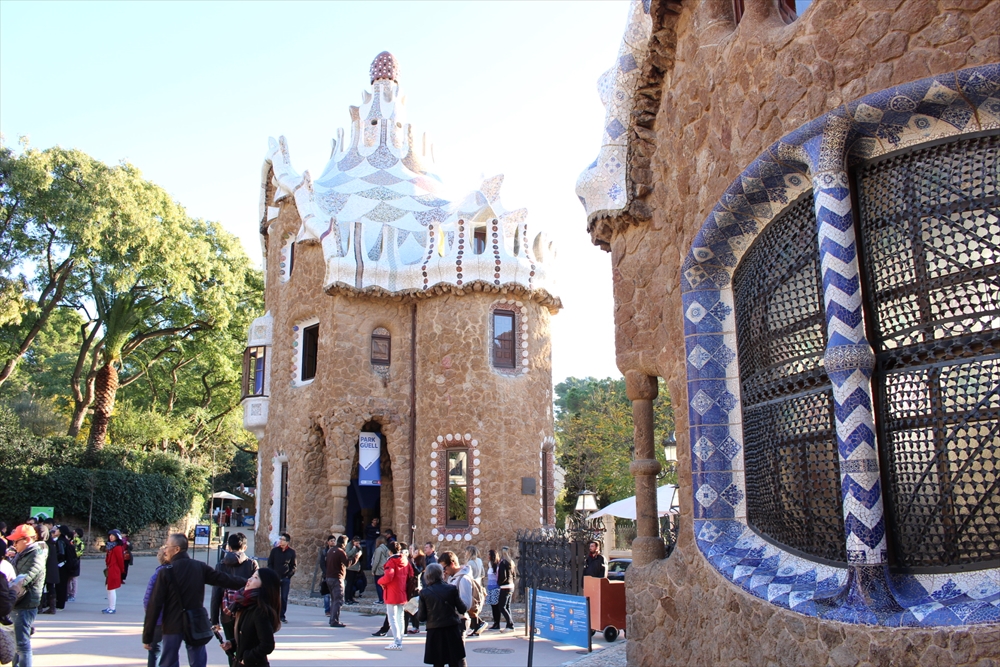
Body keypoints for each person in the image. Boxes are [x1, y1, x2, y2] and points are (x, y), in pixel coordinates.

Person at [142, 533, 247, 667]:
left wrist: (148, 635)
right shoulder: (198, 567)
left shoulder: (165, 572)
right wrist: (249, 582)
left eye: (167, 546)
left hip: (172, 623)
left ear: (177, 549)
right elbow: (225, 579)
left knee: (169, 660)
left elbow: (154, 605)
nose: (165, 550)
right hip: (195, 621)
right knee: (197, 660)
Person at [211, 532, 259, 660]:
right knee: (247, 644)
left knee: (230, 646)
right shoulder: (251, 564)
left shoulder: (220, 565)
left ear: (229, 547)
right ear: (244, 547)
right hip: (246, 612)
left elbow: (216, 593)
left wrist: (214, 620)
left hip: (227, 613)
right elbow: (257, 589)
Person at [220, 568, 281, 667]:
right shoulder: (245, 604)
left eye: (256, 577)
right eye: (252, 576)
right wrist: (232, 643)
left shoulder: (260, 611)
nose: (249, 579)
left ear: (264, 585)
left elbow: (267, 645)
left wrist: (248, 658)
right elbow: (249, 636)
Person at [417, 563, 467, 667]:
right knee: (454, 661)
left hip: (434, 631)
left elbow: (421, 617)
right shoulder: (452, 589)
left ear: (427, 576)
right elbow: (462, 609)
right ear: (441, 574)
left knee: (438, 662)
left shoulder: (424, 593)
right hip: (451, 629)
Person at [10, 524, 45, 667]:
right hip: (18, 601)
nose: (14, 544)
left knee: (22, 644)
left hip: (26, 603)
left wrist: (10, 586)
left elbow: (26, 577)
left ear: (27, 540)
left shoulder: (36, 554)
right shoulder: (23, 553)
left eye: (16, 541)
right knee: (16, 642)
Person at [376, 541, 412, 650]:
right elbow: (411, 573)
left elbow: (388, 576)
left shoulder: (391, 561)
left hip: (392, 592)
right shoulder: (405, 560)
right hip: (402, 591)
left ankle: (397, 642)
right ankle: (400, 639)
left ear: (390, 551)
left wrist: (380, 581)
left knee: (392, 618)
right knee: (400, 617)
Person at [439, 551, 479, 636]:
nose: (444, 571)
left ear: (452, 564)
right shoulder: (451, 577)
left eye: (444, 568)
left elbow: (466, 605)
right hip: (452, 620)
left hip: (460, 621)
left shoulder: (464, 579)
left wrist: (450, 605)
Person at [143, 546, 170, 667]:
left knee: (154, 649)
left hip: (158, 618)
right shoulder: (178, 573)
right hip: (172, 618)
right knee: (170, 650)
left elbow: (147, 600)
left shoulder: (157, 574)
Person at [325, 535, 359, 629]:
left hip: (329, 577)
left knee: (334, 599)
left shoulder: (330, 550)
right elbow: (348, 563)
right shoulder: (340, 552)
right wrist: (357, 556)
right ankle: (334, 621)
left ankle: (332, 619)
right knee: (338, 600)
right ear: (344, 543)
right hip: (337, 578)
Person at [266, 533, 296, 624]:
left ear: (287, 542)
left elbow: (293, 566)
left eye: (283, 540)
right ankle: (273, 615)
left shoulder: (291, 552)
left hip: (285, 578)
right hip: (275, 578)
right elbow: (270, 563)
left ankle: (281, 615)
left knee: (284, 597)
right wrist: (272, 574)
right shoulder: (274, 551)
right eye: (280, 539)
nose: (281, 541)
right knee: (274, 597)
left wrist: (288, 576)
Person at [489, 546, 516, 632]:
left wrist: (499, 582)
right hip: (511, 586)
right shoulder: (511, 562)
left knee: (502, 607)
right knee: (507, 606)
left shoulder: (503, 563)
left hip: (505, 587)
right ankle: (509, 625)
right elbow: (514, 575)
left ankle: (510, 625)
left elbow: (503, 576)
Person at [54, 525, 78, 610]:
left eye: (57, 530)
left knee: (60, 585)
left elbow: (61, 553)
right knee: (64, 584)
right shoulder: (66, 541)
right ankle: (62, 601)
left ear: (60, 532)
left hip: (61, 565)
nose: (55, 531)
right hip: (67, 565)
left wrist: (55, 558)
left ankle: (59, 603)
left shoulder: (60, 541)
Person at [104, 529, 126, 614]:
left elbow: (120, 560)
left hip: (114, 569)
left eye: (113, 535)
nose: (111, 537)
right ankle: (110, 607)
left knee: (111, 588)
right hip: (111, 569)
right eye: (110, 535)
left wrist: (121, 570)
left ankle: (112, 608)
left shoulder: (117, 548)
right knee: (108, 588)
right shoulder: (111, 547)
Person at [39, 524, 58, 615]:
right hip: (52, 569)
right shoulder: (52, 544)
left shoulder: (43, 545)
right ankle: (52, 607)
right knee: (51, 587)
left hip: (44, 568)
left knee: (40, 588)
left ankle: (39, 607)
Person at [318, 535, 335, 617]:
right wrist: (326, 572)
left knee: (334, 594)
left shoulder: (336, 551)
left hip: (335, 575)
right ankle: (327, 610)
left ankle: (334, 610)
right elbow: (322, 563)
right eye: (331, 541)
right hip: (327, 575)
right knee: (327, 594)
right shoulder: (325, 552)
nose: (333, 542)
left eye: (334, 541)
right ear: (328, 542)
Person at [370, 537, 389, 604]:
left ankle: (381, 599)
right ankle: (384, 598)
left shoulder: (378, 549)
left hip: (379, 569)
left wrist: (373, 570)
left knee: (378, 585)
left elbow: (376, 561)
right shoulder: (386, 549)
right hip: (385, 568)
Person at [67, 528, 85, 602]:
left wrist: (72, 554)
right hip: (70, 561)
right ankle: (68, 593)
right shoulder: (70, 541)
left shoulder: (79, 543)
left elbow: (79, 553)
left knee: (74, 579)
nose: (73, 533)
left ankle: (73, 595)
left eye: (75, 532)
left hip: (75, 562)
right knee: (68, 579)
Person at [345, 536, 363, 604]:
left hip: (356, 567)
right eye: (356, 542)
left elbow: (361, 554)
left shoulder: (358, 546)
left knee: (353, 584)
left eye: (358, 543)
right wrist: (354, 548)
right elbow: (347, 554)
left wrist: (360, 548)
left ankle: (351, 598)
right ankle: (347, 598)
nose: (358, 544)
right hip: (350, 567)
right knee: (349, 584)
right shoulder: (349, 545)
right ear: (353, 541)